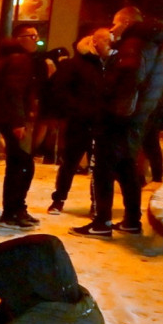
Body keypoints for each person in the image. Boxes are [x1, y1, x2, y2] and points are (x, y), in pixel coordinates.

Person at [72, 7, 163, 238]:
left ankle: (101, 222)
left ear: (126, 22)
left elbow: (129, 77)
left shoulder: (134, 44)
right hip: (135, 117)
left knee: (104, 169)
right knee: (126, 167)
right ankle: (132, 220)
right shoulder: (153, 44)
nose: (113, 28)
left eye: (116, 23)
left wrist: (111, 106)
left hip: (119, 118)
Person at [47, 28, 113, 215]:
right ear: (95, 41)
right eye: (107, 41)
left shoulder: (109, 64)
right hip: (80, 122)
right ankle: (58, 200)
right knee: (70, 162)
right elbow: (59, 91)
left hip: (102, 123)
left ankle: (97, 203)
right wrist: (78, 110)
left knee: (99, 165)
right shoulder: (75, 64)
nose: (110, 45)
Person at [0, 24, 43, 229]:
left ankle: (16, 209)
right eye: (32, 36)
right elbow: (14, 91)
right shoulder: (19, 60)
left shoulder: (11, 58)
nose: (36, 40)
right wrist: (18, 121)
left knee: (19, 165)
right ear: (20, 38)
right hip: (12, 120)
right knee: (21, 166)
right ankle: (13, 210)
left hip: (7, 118)